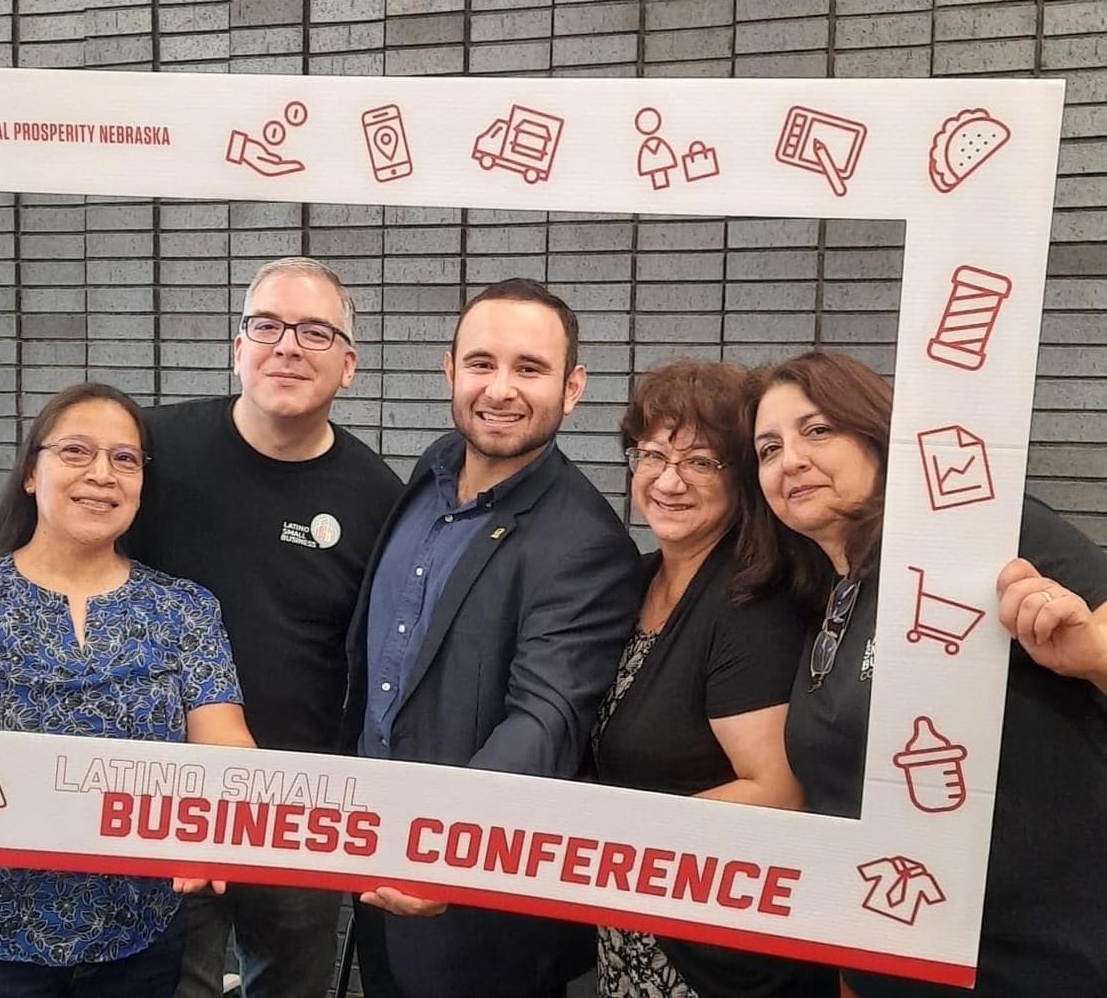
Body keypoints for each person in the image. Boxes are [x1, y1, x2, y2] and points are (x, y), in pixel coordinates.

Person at [0, 382, 255, 997]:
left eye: (125, 459)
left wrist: (222, 822)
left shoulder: (185, 610)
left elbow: (224, 740)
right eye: (75, 451)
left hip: (135, 941)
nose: (102, 474)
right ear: (32, 473)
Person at [742, 349, 1107, 997]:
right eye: (768, 448)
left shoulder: (980, 530)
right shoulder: (829, 601)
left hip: (1034, 964)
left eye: (817, 430)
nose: (790, 458)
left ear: (879, 433)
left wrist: (1090, 653)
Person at [342, 278, 642, 998]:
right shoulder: (434, 469)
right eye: (481, 362)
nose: (500, 388)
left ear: (572, 388)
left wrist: (444, 849)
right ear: (449, 370)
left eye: (530, 369)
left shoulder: (586, 543)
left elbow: (545, 720)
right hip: (374, 871)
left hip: (475, 911)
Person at [127, 256, 404, 998]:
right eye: (267, 325)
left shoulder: (379, 498)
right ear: (237, 347)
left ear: (349, 365)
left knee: (290, 985)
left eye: (315, 330)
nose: (287, 344)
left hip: (300, 800)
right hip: (159, 787)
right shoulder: (153, 450)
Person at [593, 361, 839, 998]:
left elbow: (778, 789)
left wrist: (610, 840)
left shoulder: (750, 606)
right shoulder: (636, 581)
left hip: (715, 954)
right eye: (652, 455)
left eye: (701, 462)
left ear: (744, 480)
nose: (669, 481)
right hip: (635, 922)